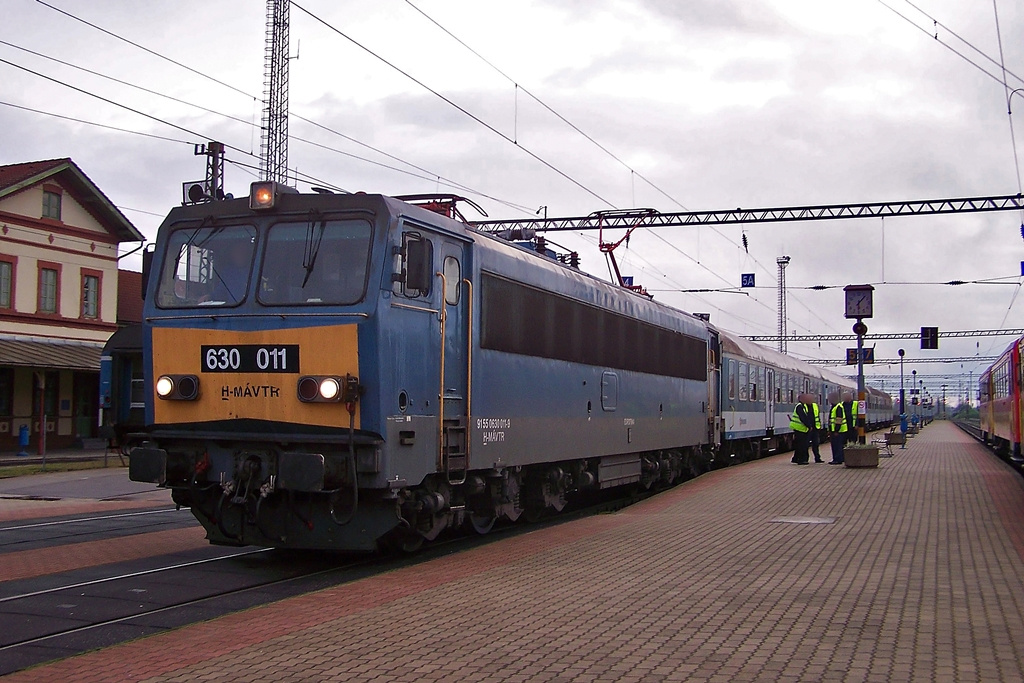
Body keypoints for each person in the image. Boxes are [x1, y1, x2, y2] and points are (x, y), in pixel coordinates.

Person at [790, 394, 816, 465]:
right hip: (800, 429)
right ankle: (801, 460)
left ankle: (796, 458)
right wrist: (809, 426)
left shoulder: (803, 406)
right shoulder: (800, 407)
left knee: (800, 445)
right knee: (802, 445)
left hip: (801, 429)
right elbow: (803, 417)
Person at [829, 391, 849, 464]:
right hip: (835, 430)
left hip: (839, 431)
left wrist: (836, 430)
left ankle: (838, 459)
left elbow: (839, 419)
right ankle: (836, 459)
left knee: (838, 446)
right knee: (836, 445)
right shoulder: (835, 407)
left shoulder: (838, 407)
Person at [809, 396, 823, 463]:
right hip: (807, 428)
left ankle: (817, 458)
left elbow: (817, 416)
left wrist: (819, 425)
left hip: (815, 428)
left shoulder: (815, 406)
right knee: (805, 444)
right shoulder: (802, 406)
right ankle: (804, 458)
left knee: (816, 444)